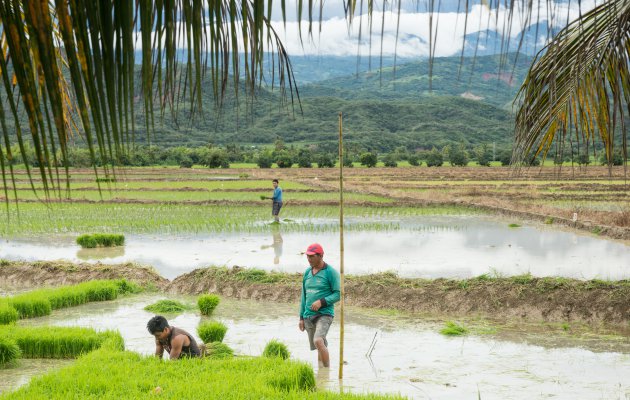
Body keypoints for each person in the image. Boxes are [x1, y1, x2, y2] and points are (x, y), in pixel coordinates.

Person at [298, 243, 340, 368]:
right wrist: (301, 318)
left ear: (321, 255)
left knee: (318, 340)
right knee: (318, 346)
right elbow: (303, 296)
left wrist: (322, 301)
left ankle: (327, 371)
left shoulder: (330, 272)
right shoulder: (307, 272)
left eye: (312, 256)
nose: (309, 259)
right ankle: (321, 373)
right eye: (307, 256)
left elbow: (338, 294)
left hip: (324, 314)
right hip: (308, 315)